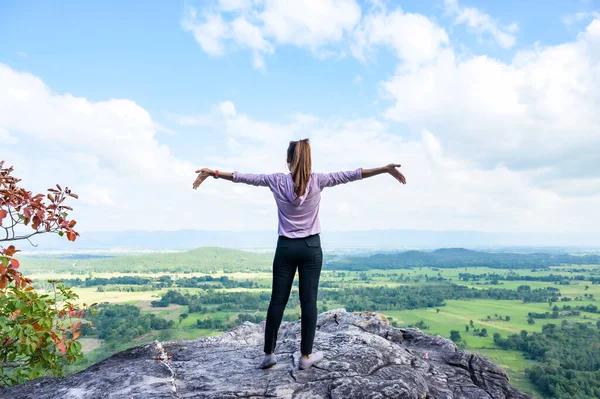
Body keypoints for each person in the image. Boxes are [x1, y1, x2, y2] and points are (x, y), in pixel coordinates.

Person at [192, 139, 406, 370]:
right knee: (309, 302)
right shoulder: (319, 181)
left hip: (285, 248)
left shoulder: (275, 180)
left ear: (287, 160)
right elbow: (354, 174)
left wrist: (213, 172)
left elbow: (243, 177)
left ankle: (268, 354)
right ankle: (306, 357)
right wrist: (384, 169)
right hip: (311, 248)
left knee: (277, 301)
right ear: (309, 160)